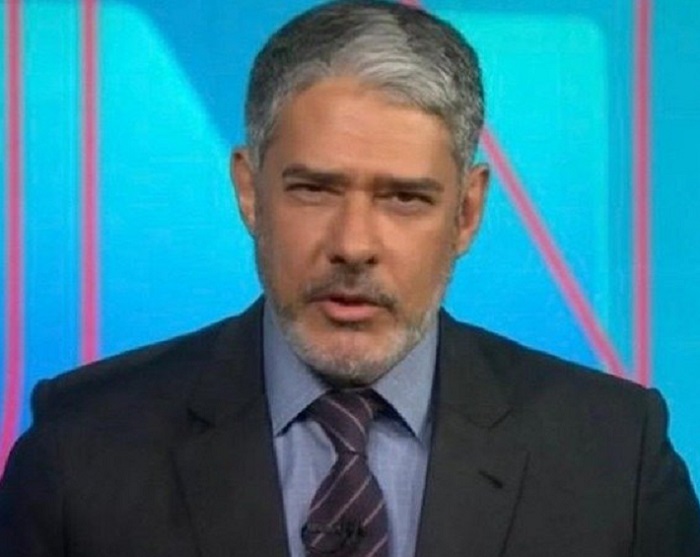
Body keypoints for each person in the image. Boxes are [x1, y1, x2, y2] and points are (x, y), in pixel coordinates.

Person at [1, 1, 698, 555]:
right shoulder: (81, 450)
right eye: (314, 189)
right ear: (249, 192)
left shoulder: (617, 457)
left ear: (467, 212)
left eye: (405, 198)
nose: (353, 245)